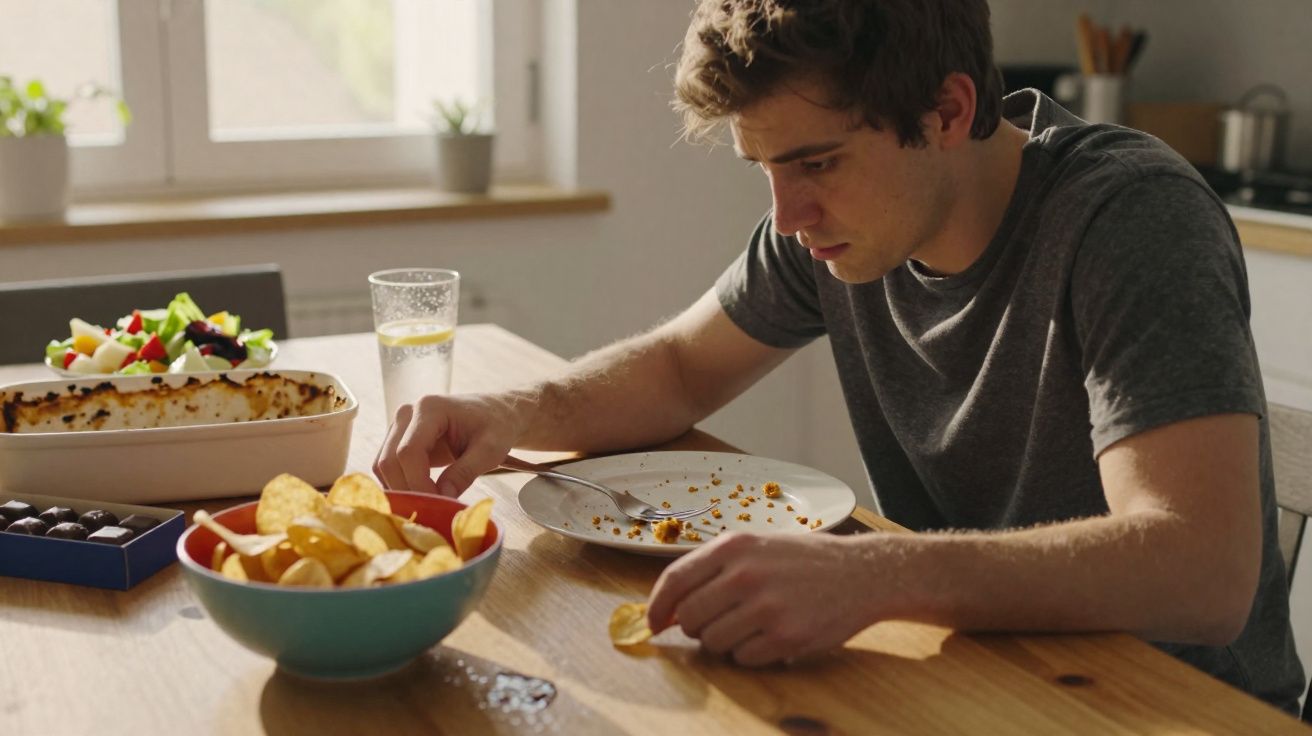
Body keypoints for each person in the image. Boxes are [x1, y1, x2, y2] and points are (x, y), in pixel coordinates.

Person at [374, 0, 1305, 713]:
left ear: (947, 110)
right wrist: (517, 413)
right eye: (765, 171)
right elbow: (680, 369)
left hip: (1168, 711)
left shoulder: (1130, 219)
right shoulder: (836, 228)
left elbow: (1203, 568)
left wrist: (876, 573)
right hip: (968, 674)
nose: (786, 216)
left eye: (815, 165)